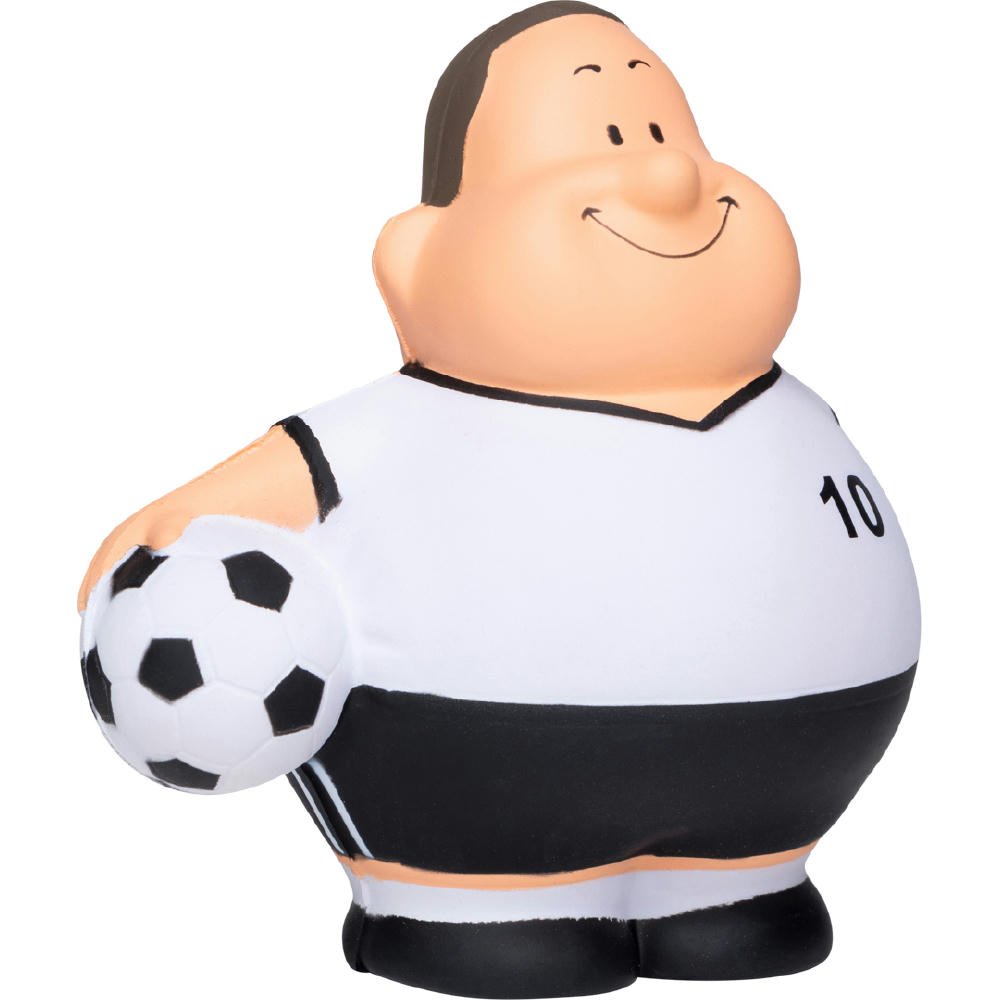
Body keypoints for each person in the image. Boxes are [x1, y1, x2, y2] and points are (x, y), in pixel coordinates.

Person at [80, 3, 920, 994]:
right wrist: (143, 570)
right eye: (609, 138)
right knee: (495, 911)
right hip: (469, 802)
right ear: (415, 260)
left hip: (781, 796)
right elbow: (188, 525)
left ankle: (733, 894)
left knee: (732, 902)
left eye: (663, 132)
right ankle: (473, 910)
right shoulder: (389, 430)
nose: (668, 177)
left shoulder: (790, 407)